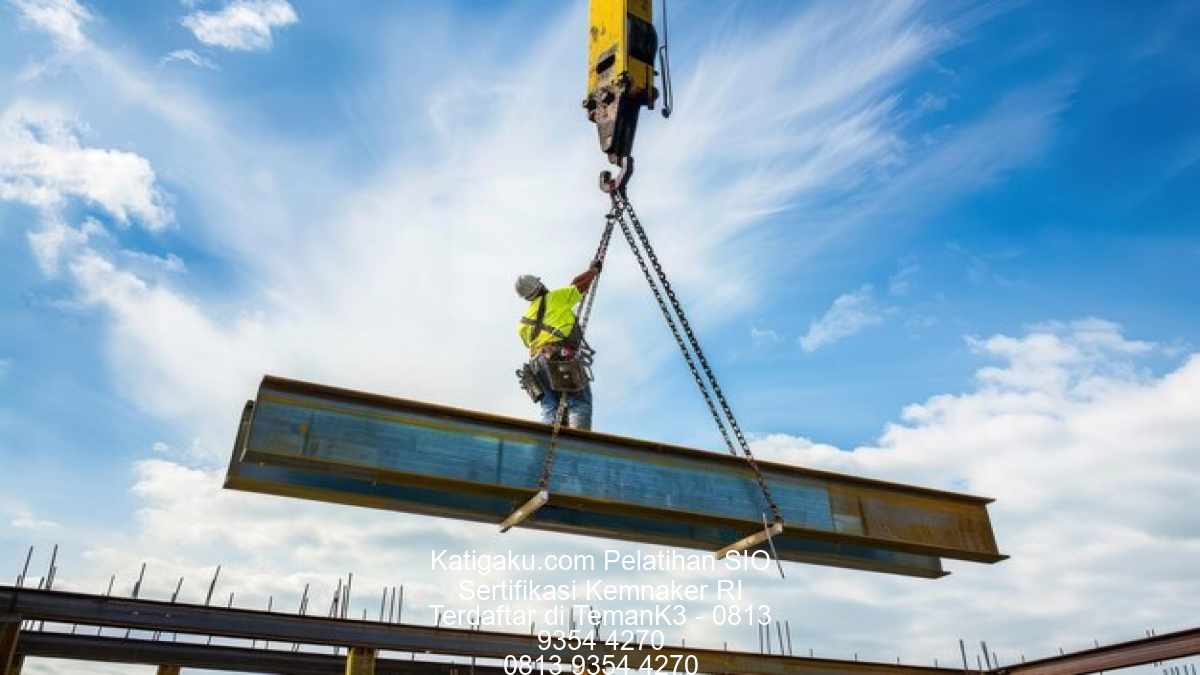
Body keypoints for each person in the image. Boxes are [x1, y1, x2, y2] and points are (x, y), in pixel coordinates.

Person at [515, 261, 601, 430]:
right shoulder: (555, 298)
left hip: (537, 366)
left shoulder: (523, 323)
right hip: (558, 356)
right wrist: (594, 271)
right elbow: (579, 285)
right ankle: (578, 446)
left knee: (550, 409)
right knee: (579, 402)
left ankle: (546, 446)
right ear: (539, 285)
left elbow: (573, 285)